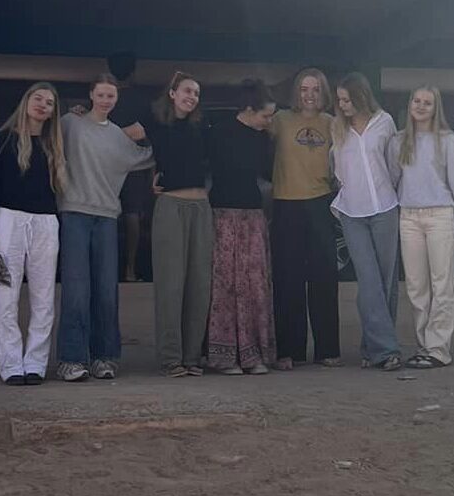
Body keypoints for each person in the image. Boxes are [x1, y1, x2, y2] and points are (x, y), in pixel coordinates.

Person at [56, 72, 154, 381]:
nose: (105, 99)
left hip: (107, 218)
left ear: (116, 98)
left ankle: (104, 357)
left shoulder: (118, 136)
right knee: (75, 289)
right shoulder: (70, 124)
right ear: (91, 95)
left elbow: (149, 157)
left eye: (111, 95)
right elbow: (44, 139)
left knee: (105, 291)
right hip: (73, 214)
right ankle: (71, 359)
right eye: (100, 94)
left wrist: (152, 132)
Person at [0, 83, 66, 385]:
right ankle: (10, 363)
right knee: (4, 295)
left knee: (43, 296)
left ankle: (36, 363)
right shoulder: (3, 140)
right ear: (26, 101)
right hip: (8, 221)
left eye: (50, 103)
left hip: (46, 222)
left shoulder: (55, 144)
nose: (43, 105)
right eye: (38, 99)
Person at [388, 84, 454, 369]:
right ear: (409, 104)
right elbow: (392, 180)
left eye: (428, 102)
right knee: (416, 286)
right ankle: (424, 345)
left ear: (436, 108)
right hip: (408, 215)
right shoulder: (398, 141)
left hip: (440, 215)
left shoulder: (447, 140)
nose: (421, 106)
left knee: (442, 284)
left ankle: (438, 348)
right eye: (417, 101)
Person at [268, 68, 341, 370]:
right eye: (304, 89)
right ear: (296, 92)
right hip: (286, 204)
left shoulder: (333, 124)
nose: (309, 95)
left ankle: (327, 349)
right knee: (288, 280)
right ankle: (290, 350)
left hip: (321, 204)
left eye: (315, 89)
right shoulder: (280, 120)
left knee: (325, 279)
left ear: (324, 93)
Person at [331, 72, 401, 371]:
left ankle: (372, 348)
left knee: (386, 280)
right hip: (351, 212)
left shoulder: (385, 122)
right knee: (369, 280)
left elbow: (394, 165)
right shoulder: (337, 128)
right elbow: (336, 168)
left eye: (346, 99)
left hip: (385, 207)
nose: (342, 105)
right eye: (340, 100)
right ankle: (387, 351)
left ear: (360, 97)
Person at [206, 79, 277, 375]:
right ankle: (223, 355)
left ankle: (254, 352)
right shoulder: (217, 133)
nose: (269, 121)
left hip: (253, 215)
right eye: (265, 115)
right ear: (249, 109)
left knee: (255, 284)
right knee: (226, 285)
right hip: (223, 214)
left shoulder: (263, 139)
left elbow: (267, 174)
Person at [145, 72, 211, 377]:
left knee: (199, 284)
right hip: (171, 206)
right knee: (171, 284)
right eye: (187, 90)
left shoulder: (202, 126)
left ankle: (192, 356)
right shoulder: (155, 122)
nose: (192, 96)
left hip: (201, 207)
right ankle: (171, 357)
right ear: (172, 93)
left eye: (196, 93)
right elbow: (117, 137)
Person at [107, 53, 155, 283]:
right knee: (132, 214)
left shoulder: (106, 99)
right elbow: (150, 135)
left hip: (107, 165)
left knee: (107, 213)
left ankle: (107, 267)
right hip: (136, 164)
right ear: (134, 72)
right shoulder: (143, 100)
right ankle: (130, 268)